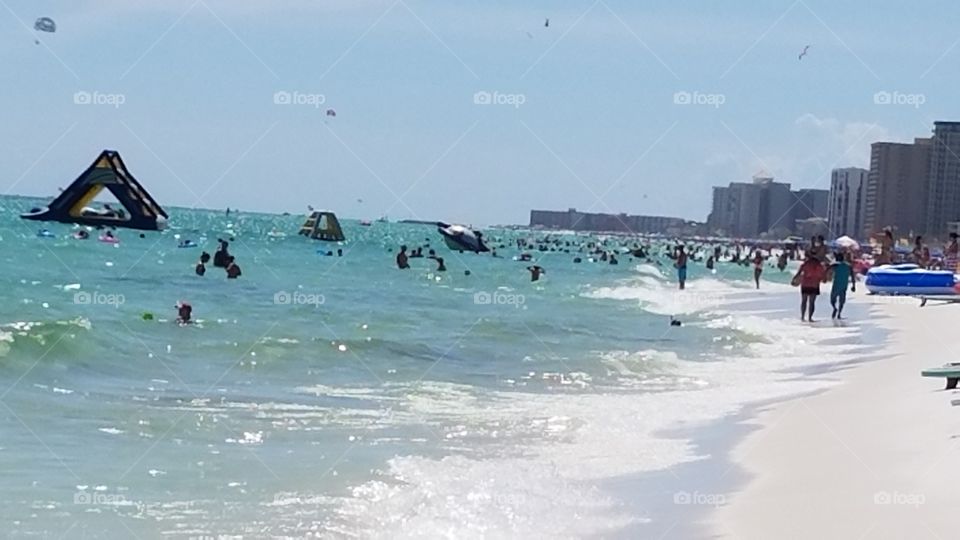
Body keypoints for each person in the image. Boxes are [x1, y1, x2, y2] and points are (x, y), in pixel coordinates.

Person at [793, 255, 827, 322]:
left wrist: (794, 279)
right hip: (814, 285)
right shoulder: (820, 266)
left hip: (805, 284)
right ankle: (810, 318)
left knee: (804, 301)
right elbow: (824, 279)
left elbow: (799, 273)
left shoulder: (805, 264)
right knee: (812, 302)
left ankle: (802, 317)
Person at [828, 251, 856, 320]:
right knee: (842, 300)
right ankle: (839, 314)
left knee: (832, 300)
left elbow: (827, 270)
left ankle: (835, 308)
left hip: (836, 285)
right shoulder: (848, 266)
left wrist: (826, 277)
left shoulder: (835, 265)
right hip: (844, 285)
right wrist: (853, 285)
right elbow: (852, 276)